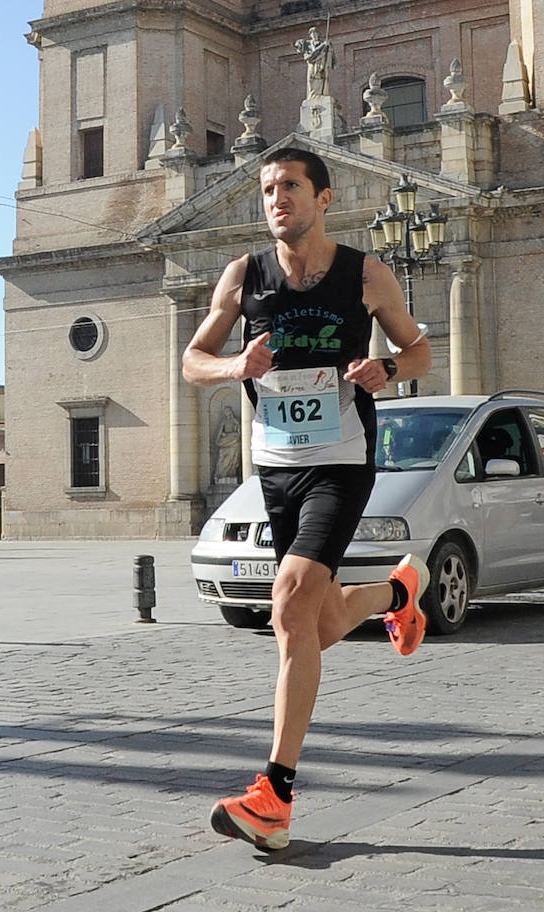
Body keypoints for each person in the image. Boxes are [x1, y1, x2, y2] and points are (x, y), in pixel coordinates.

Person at [183, 147, 433, 850]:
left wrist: (388, 365)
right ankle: (394, 596)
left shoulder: (366, 273)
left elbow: (419, 351)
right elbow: (192, 360)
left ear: (324, 198)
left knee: (289, 604)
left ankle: (275, 793)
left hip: (343, 461)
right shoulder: (245, 276)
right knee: (315, 625)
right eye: (267, 189)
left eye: (289, 186)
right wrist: (236, 364)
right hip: (275, 468)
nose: (275, 198)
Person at [293, 26, 336, 98]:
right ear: (310, 35)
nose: (314, 35)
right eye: (312, 33)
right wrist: (323, 45)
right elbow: (310, 55)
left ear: (318, 34)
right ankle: (313, 95)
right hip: (312, 65)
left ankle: (321, 94)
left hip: (321, 65)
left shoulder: (323, 44)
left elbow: (330, 54)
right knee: (311, 79)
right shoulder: (308, 45)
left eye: (316, 33)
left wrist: (328, 47)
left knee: (321, 78)